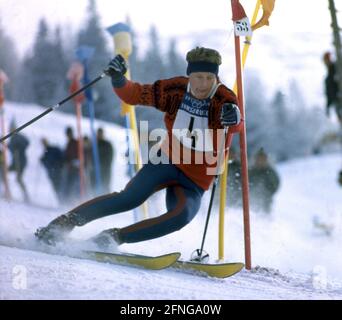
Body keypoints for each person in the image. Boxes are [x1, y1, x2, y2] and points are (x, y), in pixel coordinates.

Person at [35, 47, 242, 247]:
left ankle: (113, 238)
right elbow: (135, 94)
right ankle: (62, 224)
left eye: (209, 78)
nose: (203, 84)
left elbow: (237, 124)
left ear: (216, 78)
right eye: (198, 77)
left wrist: (234, 118)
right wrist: (119, 79)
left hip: (196, 178)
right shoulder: (175, 89)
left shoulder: (224, 99)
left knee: (181, 216)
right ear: (189, 75)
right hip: (167, 161)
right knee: (129, 199)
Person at [249, 148, 280, 214]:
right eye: (258, 159)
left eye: (262, 159)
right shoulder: (251, 171)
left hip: (266, 199)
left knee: (264, 215)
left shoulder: (270, 172)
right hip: (251, 199)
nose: (260, 161)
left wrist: (268, 193)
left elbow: (275, 183)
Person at [8, 122, 30, 202]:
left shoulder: (19, 137)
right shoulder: (12, 138)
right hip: (15, 162)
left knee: (18, 179)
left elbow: (27, 142)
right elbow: (10, 147)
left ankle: (26, 195)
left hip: (21, 161)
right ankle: (6, 191)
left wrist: (19, 146)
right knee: (4, 173)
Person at [40, 138, 64, 203]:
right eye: (43, 143)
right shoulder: (46, 153)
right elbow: (45, 163)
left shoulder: (54, 149)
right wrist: (42, 160)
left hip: (58, 171)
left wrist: (59, 165)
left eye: (44, 142)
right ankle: (60, 201)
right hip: (52, 174)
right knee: (56, 188)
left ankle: (63, 200)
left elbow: (62, 157)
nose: (44, 144)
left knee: (60, 186)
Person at [61, 127, 80, 205]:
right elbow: (67, 156)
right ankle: (67, 203)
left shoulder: (76, 142)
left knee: (74, 187)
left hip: (76, 169)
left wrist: (77, 161)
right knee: (68, 186)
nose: (68, 135)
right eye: (67, 134)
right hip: (70, 169)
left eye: (69, 133)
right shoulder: (68, 143)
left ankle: (73, 203)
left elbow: (81, 154)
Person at [323, 52, 342, 123]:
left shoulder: (336, 68)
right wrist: (327, 106)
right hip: (336, 100)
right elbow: (328, 93)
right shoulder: (328, 76)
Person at [97, 128, 115, 194]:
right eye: (98, 133)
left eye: (100, 133)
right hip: (96, 170)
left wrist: (105, 165)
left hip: (105, 169)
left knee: (105, 185)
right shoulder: (95, 145)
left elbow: (110, 156)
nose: (99, 135)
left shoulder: (107, 144)